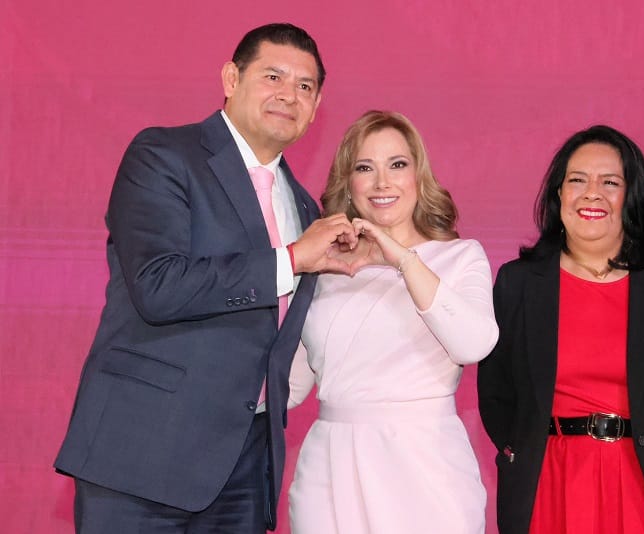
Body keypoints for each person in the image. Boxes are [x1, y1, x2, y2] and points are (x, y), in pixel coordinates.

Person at [54, 23, 359, 533]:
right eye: (273, 76)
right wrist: (289, 260)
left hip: (244, 469)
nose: (289, 94)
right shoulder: (164, 155)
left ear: (317, 105)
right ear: (231, 79)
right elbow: (158, 285)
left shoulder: (307, 210)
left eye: (305, 86)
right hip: (142, 456)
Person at [477, 125, 644, 534]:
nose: (591, 193)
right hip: (549, 488)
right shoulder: (518, 283)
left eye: (610, 182)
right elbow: (496, 395)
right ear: (559, 194)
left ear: (631, 197)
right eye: (577, 180)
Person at [286, 110, 499, 534]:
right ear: (348, 183)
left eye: (397, 165)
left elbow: (474, 345)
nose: (382, 182)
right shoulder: (325, 268)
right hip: (330, 469)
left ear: (419, 175)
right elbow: (288, 387)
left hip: (426, 468)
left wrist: (401, 258)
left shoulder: (460, 257)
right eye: (365, 168)